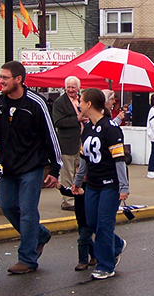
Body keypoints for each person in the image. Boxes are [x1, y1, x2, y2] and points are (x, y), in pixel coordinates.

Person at [0, 61, 61, 274]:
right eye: (0, 77)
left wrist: (54, 168)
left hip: (32, 167)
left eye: (5, 78)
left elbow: (50, 136)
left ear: (18, 80)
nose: (1, 81)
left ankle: (27, 259)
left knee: (27, 211)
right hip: (7, 167)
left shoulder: (36, 103)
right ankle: (40, 235)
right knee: (6, 205)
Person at [77, 88, 129, 280]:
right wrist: (77, 181)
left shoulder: (111, 128)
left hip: (110, 184)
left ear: (89, 104)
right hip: (92, 184)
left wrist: (123, 187)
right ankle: (116, 244)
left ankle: (106, 265)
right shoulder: (88, 128)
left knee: (104, 225)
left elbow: (120, 160)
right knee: (92, 222)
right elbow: (84, 158)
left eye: (81, 101)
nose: (79, 105)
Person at [52, 76, 86, 211]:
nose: (71, 90)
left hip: (82, 142)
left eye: (73, 87)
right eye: (68, 87)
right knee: (67, 172)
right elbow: (58, 122)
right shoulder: (60, 103)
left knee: (80, 171)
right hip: (67, 143)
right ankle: (68, 201)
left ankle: (79, 195)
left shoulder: (82, 100)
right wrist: (77, 119)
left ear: (78, 87)